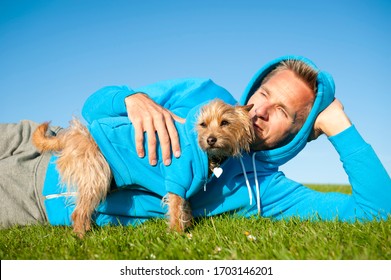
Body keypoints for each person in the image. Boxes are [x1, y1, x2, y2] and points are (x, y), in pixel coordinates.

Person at [1, 55, 390, 229]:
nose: (261, 111)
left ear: (301, 132)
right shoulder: (203, 92)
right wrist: (130, 99)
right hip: (40, 138)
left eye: (283, 112)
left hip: (32, 197)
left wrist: (338, 124)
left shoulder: (267, 191)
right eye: (265, 94)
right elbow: (93, 106)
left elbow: (377, 210)